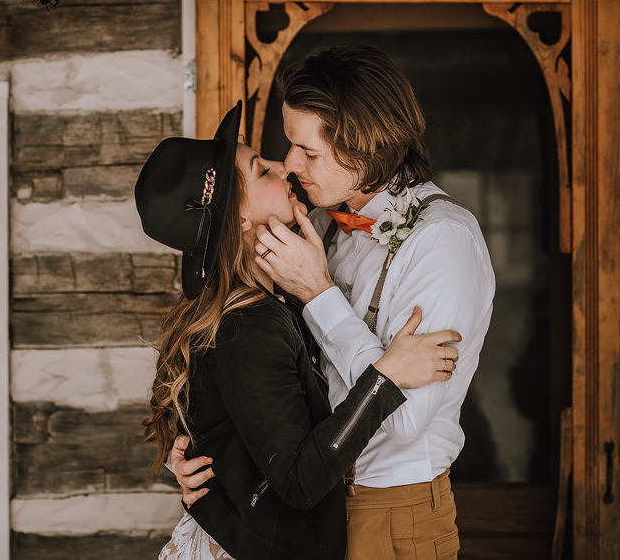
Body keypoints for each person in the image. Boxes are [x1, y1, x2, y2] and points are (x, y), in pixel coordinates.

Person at [174, 46, 495, 560]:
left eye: (309, 153)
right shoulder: (320, 225)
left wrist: (319, 294)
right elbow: (260, 380)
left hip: (392, 511)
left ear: (363, 150)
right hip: (311, 511)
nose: (290, 164)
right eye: (289, 145)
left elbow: (407, 420)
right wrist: (200, 452)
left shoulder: (443, 244)